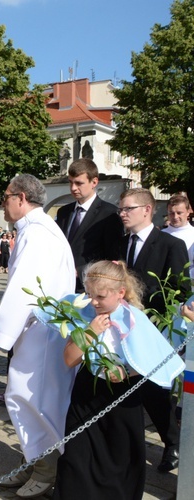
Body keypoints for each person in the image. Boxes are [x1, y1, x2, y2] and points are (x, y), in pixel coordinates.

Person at [51, 261, 184, 499]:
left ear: (120, 293)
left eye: (100, 296)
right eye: (89, 294)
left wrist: (125, 372)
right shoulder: (85, 315)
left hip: (123, 399)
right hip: (87, 396)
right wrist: (90, 333)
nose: (93, 301)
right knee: (76, 457)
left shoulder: (135, 320)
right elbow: (69, 359)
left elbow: (152, 361)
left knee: (120, 457)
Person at [0, 174, 75, 498]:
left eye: (6, 197)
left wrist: (0, 334)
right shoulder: (38, 230)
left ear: (21, 198)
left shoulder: (37, 234)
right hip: (38, 330)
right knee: (28, 397)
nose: (3, 203)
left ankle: (46, 471)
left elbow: (24, 289)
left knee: (33, 399)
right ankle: (31, 464)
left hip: (43, 333)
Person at [117, 187, 188, 473]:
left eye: (127, 209)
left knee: (154, 391)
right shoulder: (120, 244)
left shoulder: (170, 245)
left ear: (147, 210)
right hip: (121, 327)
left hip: (154, 329)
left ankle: (172, 443)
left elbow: (181, 289)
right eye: (120, 209)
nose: (122, 214)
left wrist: (149, 308)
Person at [55, 159, 123, 292]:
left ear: (94, 182)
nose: (73, 188)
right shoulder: (64, 212)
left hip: (90, 288)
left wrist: (80, 271)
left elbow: (111, 258)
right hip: (60, 284)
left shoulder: (109, 214)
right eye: (70, 182)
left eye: (79, 183)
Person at [162, 193, 194, 282]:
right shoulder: (160, 235)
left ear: (188, 212)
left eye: (179, 213)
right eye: (171, 213)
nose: (175, 217)